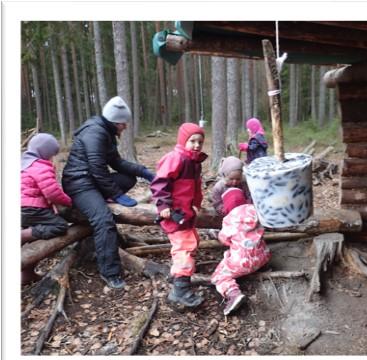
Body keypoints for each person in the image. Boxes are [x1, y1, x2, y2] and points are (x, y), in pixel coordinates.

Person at [62, 96, 155, 289]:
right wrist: (116, 194)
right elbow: (97, 169)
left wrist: (144, 172)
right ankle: (110, 272)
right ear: (115, 121)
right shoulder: (95, 133)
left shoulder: (106, 132)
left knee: (128, 178)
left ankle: (99, 201)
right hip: (79, 184)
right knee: (104, 220)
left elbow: (116, 163)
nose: (125, 127)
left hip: (92, 181)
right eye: (123, 123)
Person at [150, 123, 207, 308]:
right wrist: (163, 205)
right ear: (183, 141)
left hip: (186, 212)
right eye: (192, 141)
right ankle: (180, 290)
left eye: (200, 141)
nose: (197, 145)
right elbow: (160, 182)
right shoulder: (176, 158)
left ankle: (178, 273)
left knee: (192, 241)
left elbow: (196, 187)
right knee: (184, 246)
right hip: (174, 212)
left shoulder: (194, 162)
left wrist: (197, 203)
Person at [211, 188, 271, 316]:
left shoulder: (230, 219)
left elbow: (225, 239)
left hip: (243, 263)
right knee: (251, 248)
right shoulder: (256, 211)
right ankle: (262, 267)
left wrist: (217, 234)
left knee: (219, 276)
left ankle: (233, 294)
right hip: (263, 256)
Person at [21, 133, 72, 284]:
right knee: (60, 226)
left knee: (31, 242)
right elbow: (52, 193)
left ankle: (27, 275)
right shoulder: (40, 167)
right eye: (51, 155)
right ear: (45, 153)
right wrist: (69, 201)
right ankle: (21, 234)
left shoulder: (22, 163)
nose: (52, 158)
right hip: (32, 208)